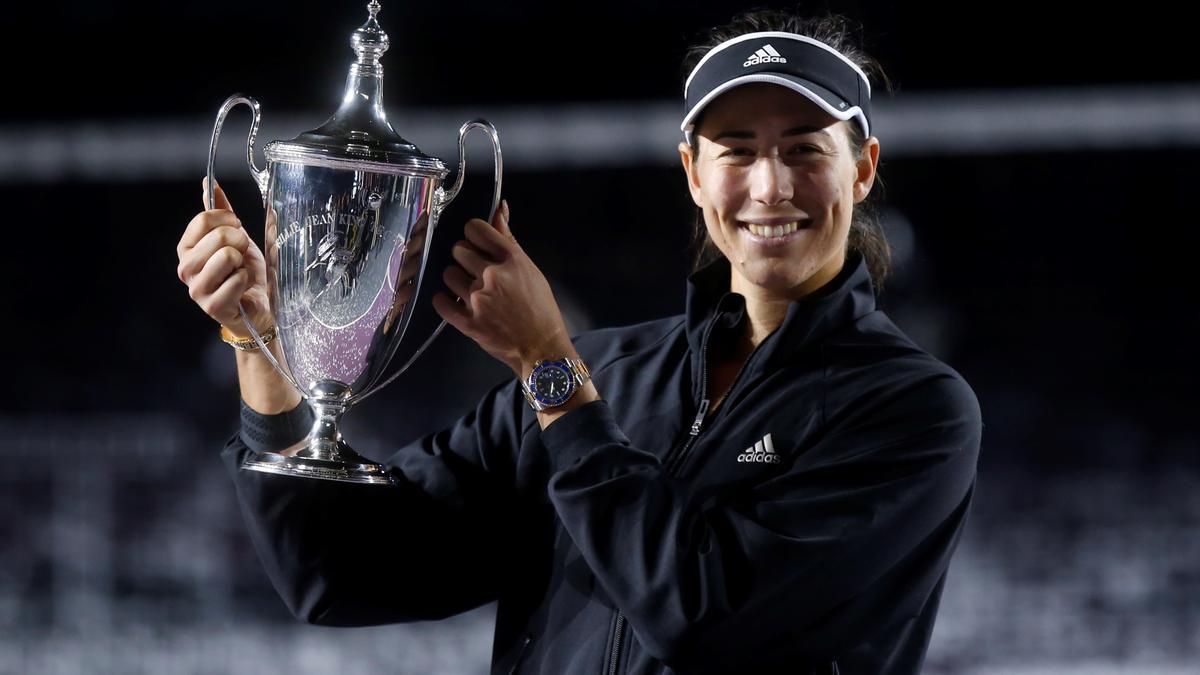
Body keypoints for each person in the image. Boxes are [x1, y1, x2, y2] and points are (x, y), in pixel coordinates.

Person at [175, 8, 981, 674]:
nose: (769, 185)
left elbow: (708, 617)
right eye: (736, 150)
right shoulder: (611, 373)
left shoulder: (914, 410)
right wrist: (264, 346)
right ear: (694, 173)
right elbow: (336, 571)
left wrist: (548, 367)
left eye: (805, 149)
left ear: (863, 169)